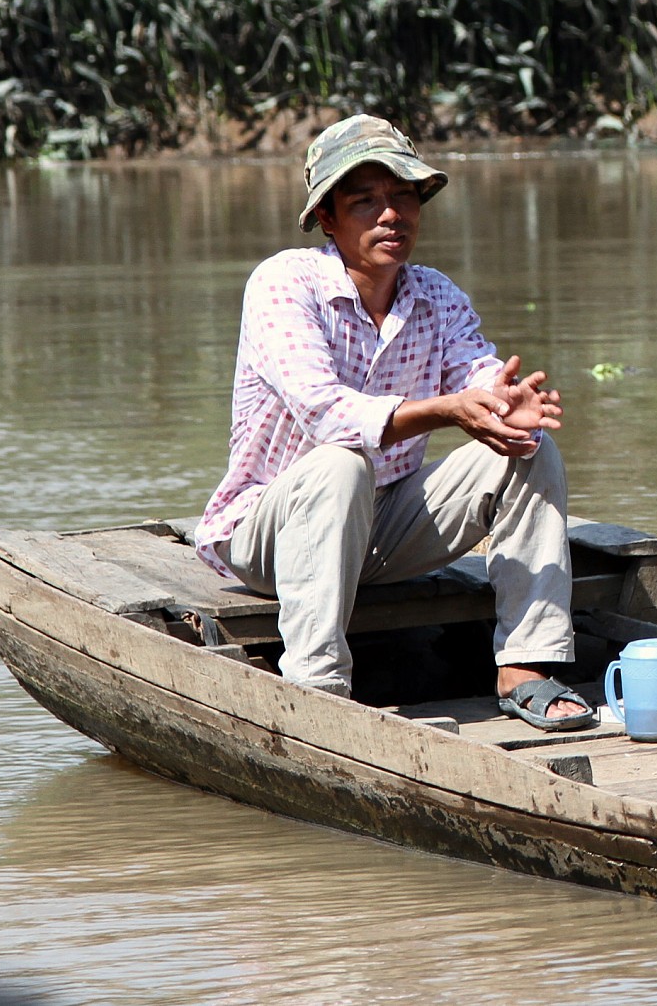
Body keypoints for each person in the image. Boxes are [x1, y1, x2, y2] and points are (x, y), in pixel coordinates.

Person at [189, 115, 593, 731]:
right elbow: (327, 413)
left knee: (525, 449)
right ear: (328, 218)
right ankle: (320, 692)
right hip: (273, 532)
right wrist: (447, 411)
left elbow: (475, 374)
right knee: (340, 463)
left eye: (403, 196)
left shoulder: (435, 294)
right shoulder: (283, 283)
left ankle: (525, 668)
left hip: (385, 527)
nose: (390, 215)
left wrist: (501, 403)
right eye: (366, 202)